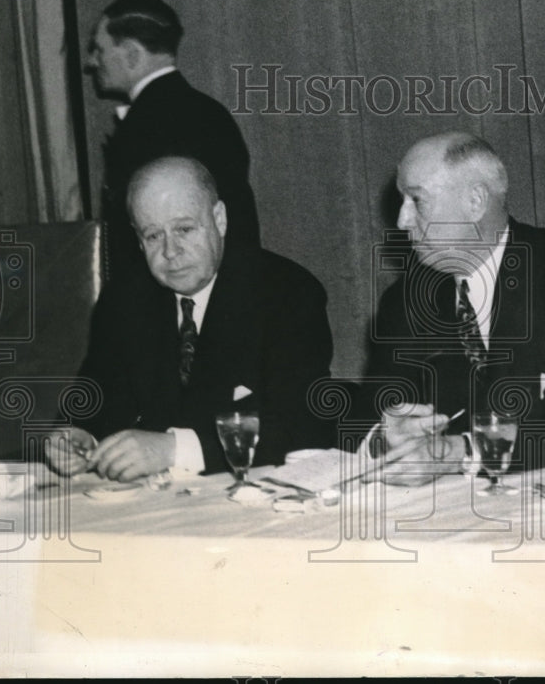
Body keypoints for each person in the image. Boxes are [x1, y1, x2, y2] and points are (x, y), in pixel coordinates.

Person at [46, 156, 333, 482]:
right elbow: (93, 400)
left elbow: (304, 430)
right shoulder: (124, 299)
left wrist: (173, 450)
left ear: (219, 219)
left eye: (184, 229)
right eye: (153, 235)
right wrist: (77, 436)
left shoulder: (287, 293)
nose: (170, 251)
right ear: (138, 240)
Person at [361, 131, 545, 477]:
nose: (402, 221)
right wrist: (384, 440)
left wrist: (464, 452)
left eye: (416, 200)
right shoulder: (403, 303)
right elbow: (370, 414)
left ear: (476, 201)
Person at [84, 0, 260, 281]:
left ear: (131, 54)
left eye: (99, 50)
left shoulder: (148, 124)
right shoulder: (206, 111)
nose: (91, 62)